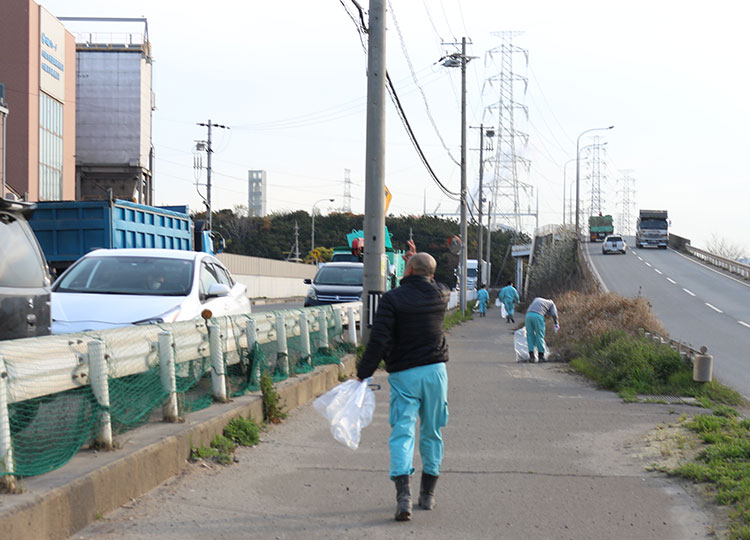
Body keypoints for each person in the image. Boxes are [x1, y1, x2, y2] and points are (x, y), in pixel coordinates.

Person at [357, 241, 450, 522]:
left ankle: (404, 497)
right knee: (433, 431)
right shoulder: (441, 295)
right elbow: (432, 278)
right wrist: (417, 264)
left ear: (407, 269)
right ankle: (428, 495)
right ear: (430, 274)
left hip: (404, 375)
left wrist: (364, 371)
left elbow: (380, 340)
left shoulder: (392, 299)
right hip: (435, 372)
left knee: (402, 433)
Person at [525, 297, 559, 363]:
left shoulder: (537, 299)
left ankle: (531, 356)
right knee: (539, 335)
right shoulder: (552, 304)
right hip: (538, 316)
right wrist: (556, 324)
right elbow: (554, 314)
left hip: (528, 315)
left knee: (529, 335)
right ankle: (541, 356)